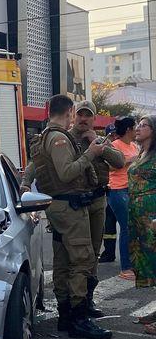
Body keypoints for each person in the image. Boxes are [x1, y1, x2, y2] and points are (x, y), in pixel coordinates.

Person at [28, 94, 112, 339]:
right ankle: (78, 317)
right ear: (70, 112)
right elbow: (66, 173)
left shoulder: (45, 136)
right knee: (82, 260)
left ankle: (65, 314)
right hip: (69, 207)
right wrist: (91, 154)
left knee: (64, 259)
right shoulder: (58, 138)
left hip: (60, 206)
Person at [69, 101, 124, 316]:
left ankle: (88, 300)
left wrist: (97, 144)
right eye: (80, 115)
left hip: (97, 201)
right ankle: (71, 303)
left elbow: (119, 161)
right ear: (73, 115)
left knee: (93, 250)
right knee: (75, 254)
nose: (83, 119)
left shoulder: (100, 139)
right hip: (74, 203)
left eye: (88, 116)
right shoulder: (65, 138)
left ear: (94, 118)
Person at [107, 116, 138, 280]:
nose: (137, 130)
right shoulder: (114, 145)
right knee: (126, 227)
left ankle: (135, 264)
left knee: (134, 227)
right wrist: (129, 160)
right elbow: (110, 167)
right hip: (118, 190)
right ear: (128, 129)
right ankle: (125, 267)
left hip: (132, 189)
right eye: (135, 127)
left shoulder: (134, 145)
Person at [128, 115, 156, 292]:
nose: (137, 128)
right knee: (148, 260)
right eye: (138, 124)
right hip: (138, 216)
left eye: (143, 125)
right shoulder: (140, 153)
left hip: (152, 216)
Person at [100, 124, 119, 263]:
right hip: (109, 190)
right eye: (111, 135)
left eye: (116, 134)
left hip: (120, 190)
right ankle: (109, 253)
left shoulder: (122, 146)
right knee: (109, 226)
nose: (114, 137)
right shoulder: (105, 149)